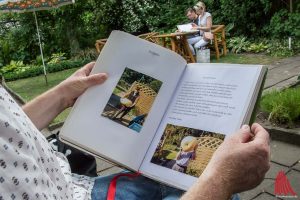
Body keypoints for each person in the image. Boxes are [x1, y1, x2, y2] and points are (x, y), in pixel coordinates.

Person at [0, 62, 270, 200]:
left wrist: (62, 95)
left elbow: (8, 131)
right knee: (222, 187)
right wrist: (220, 181)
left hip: (74, 184)